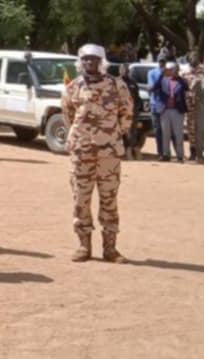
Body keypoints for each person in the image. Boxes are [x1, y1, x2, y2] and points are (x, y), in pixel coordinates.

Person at [62, 44, 132, 263]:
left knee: (109, 199)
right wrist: (82, 137)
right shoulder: (73, 87)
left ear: (102, 62)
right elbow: (68, 115)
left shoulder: (116, 86)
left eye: (93, 59)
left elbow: (127, 114)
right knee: (80, 199)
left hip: (108, 154)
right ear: (79, 62)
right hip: (81, 153)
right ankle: (84, 246)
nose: (89, 63)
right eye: (85, 59)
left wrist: (111, 135)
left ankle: (110, 248)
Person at [153, 62, 188, 162]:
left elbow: (186, 87)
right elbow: (155, 87)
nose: (170, 71)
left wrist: (178, 77)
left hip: (177, 111)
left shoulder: (181, 81)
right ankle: (166, 154)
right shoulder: (163, 80)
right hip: (165, 110)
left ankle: (180, 155)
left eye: (172, 69)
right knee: (166, 133)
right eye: (168, 70)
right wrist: (162, 75)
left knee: (178, 133)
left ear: (176, 70)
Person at [118, 64, 143, 161]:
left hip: (132, 111)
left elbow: (137, 97)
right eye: (123, 69)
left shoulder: (133, 83)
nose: (125, 71)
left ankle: (131, 150)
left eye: (126, 69)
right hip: (119, 111)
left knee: (132, 131)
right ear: (119, 70)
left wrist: (137, 109)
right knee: (118, 132)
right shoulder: (116, 82)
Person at [147, 57, 167, 159]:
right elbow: (151, 88)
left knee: (167, 130)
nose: (161, 63)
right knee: (158, 129)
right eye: (160, 61)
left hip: (167, 106)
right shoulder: (152, 73)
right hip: (155, 104)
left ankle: (167, 152)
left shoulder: (169, 73)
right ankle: (160, 153)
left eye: (163, 61)